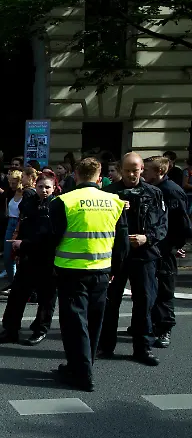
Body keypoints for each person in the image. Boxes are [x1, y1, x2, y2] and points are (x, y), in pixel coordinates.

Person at [46, 157, 128, 392]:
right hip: (102, 270)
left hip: (71, 270)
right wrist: (115, 270)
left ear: (75, 176)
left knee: (74, 323)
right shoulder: (115, 202)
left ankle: (82, 374)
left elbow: (53, 237)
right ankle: (83, 366)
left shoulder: (64, 201)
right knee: (94, 322)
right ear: (99, 177)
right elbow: (122, 242)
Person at [99, 152, 168, 366]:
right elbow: (99, 223)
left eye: (135, 170)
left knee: (144, 302)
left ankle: (142, 348)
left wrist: (147, 238)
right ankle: (105, 345)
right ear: (121, 169)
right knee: (110, 302)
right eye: (127, 170)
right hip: (116, 255)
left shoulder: (154, 193)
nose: (131, 174)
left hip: (144, 255)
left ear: (141, 170)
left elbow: (162, 224)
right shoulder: (109, 192)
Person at [0, 172, 59, 346]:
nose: (44, 190)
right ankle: (10, 329)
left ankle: (40, 329)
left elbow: (50, 235)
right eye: (40, 186)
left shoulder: (56, 206)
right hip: (28, 256)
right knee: (17, 294)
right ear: (35, 186)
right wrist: (19, 250)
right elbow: (23, 227)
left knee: (46, 298)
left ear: (54, 188)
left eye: (47, 187)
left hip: (48, 258)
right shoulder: (29, 203)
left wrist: (24, 244)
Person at [143, 156, 192, 348]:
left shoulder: (171, 191)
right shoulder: (151, 189)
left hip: (164, 249)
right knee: (151, 289)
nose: (143, 173)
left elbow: (183, 224)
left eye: (147, 170)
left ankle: (165, 328)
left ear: (159, 172)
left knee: (165, 290)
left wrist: (174, 246)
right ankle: (153, 324)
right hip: (152, 247)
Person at [0, 170, 23, 280]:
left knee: (18, 256)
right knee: (7, 256)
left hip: (19, 223)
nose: (11, 185)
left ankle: (16, 283)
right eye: (10, 182)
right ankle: (13, 281)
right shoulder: (11, 193)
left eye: (14, 183)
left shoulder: (26, 194)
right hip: (10, 223)